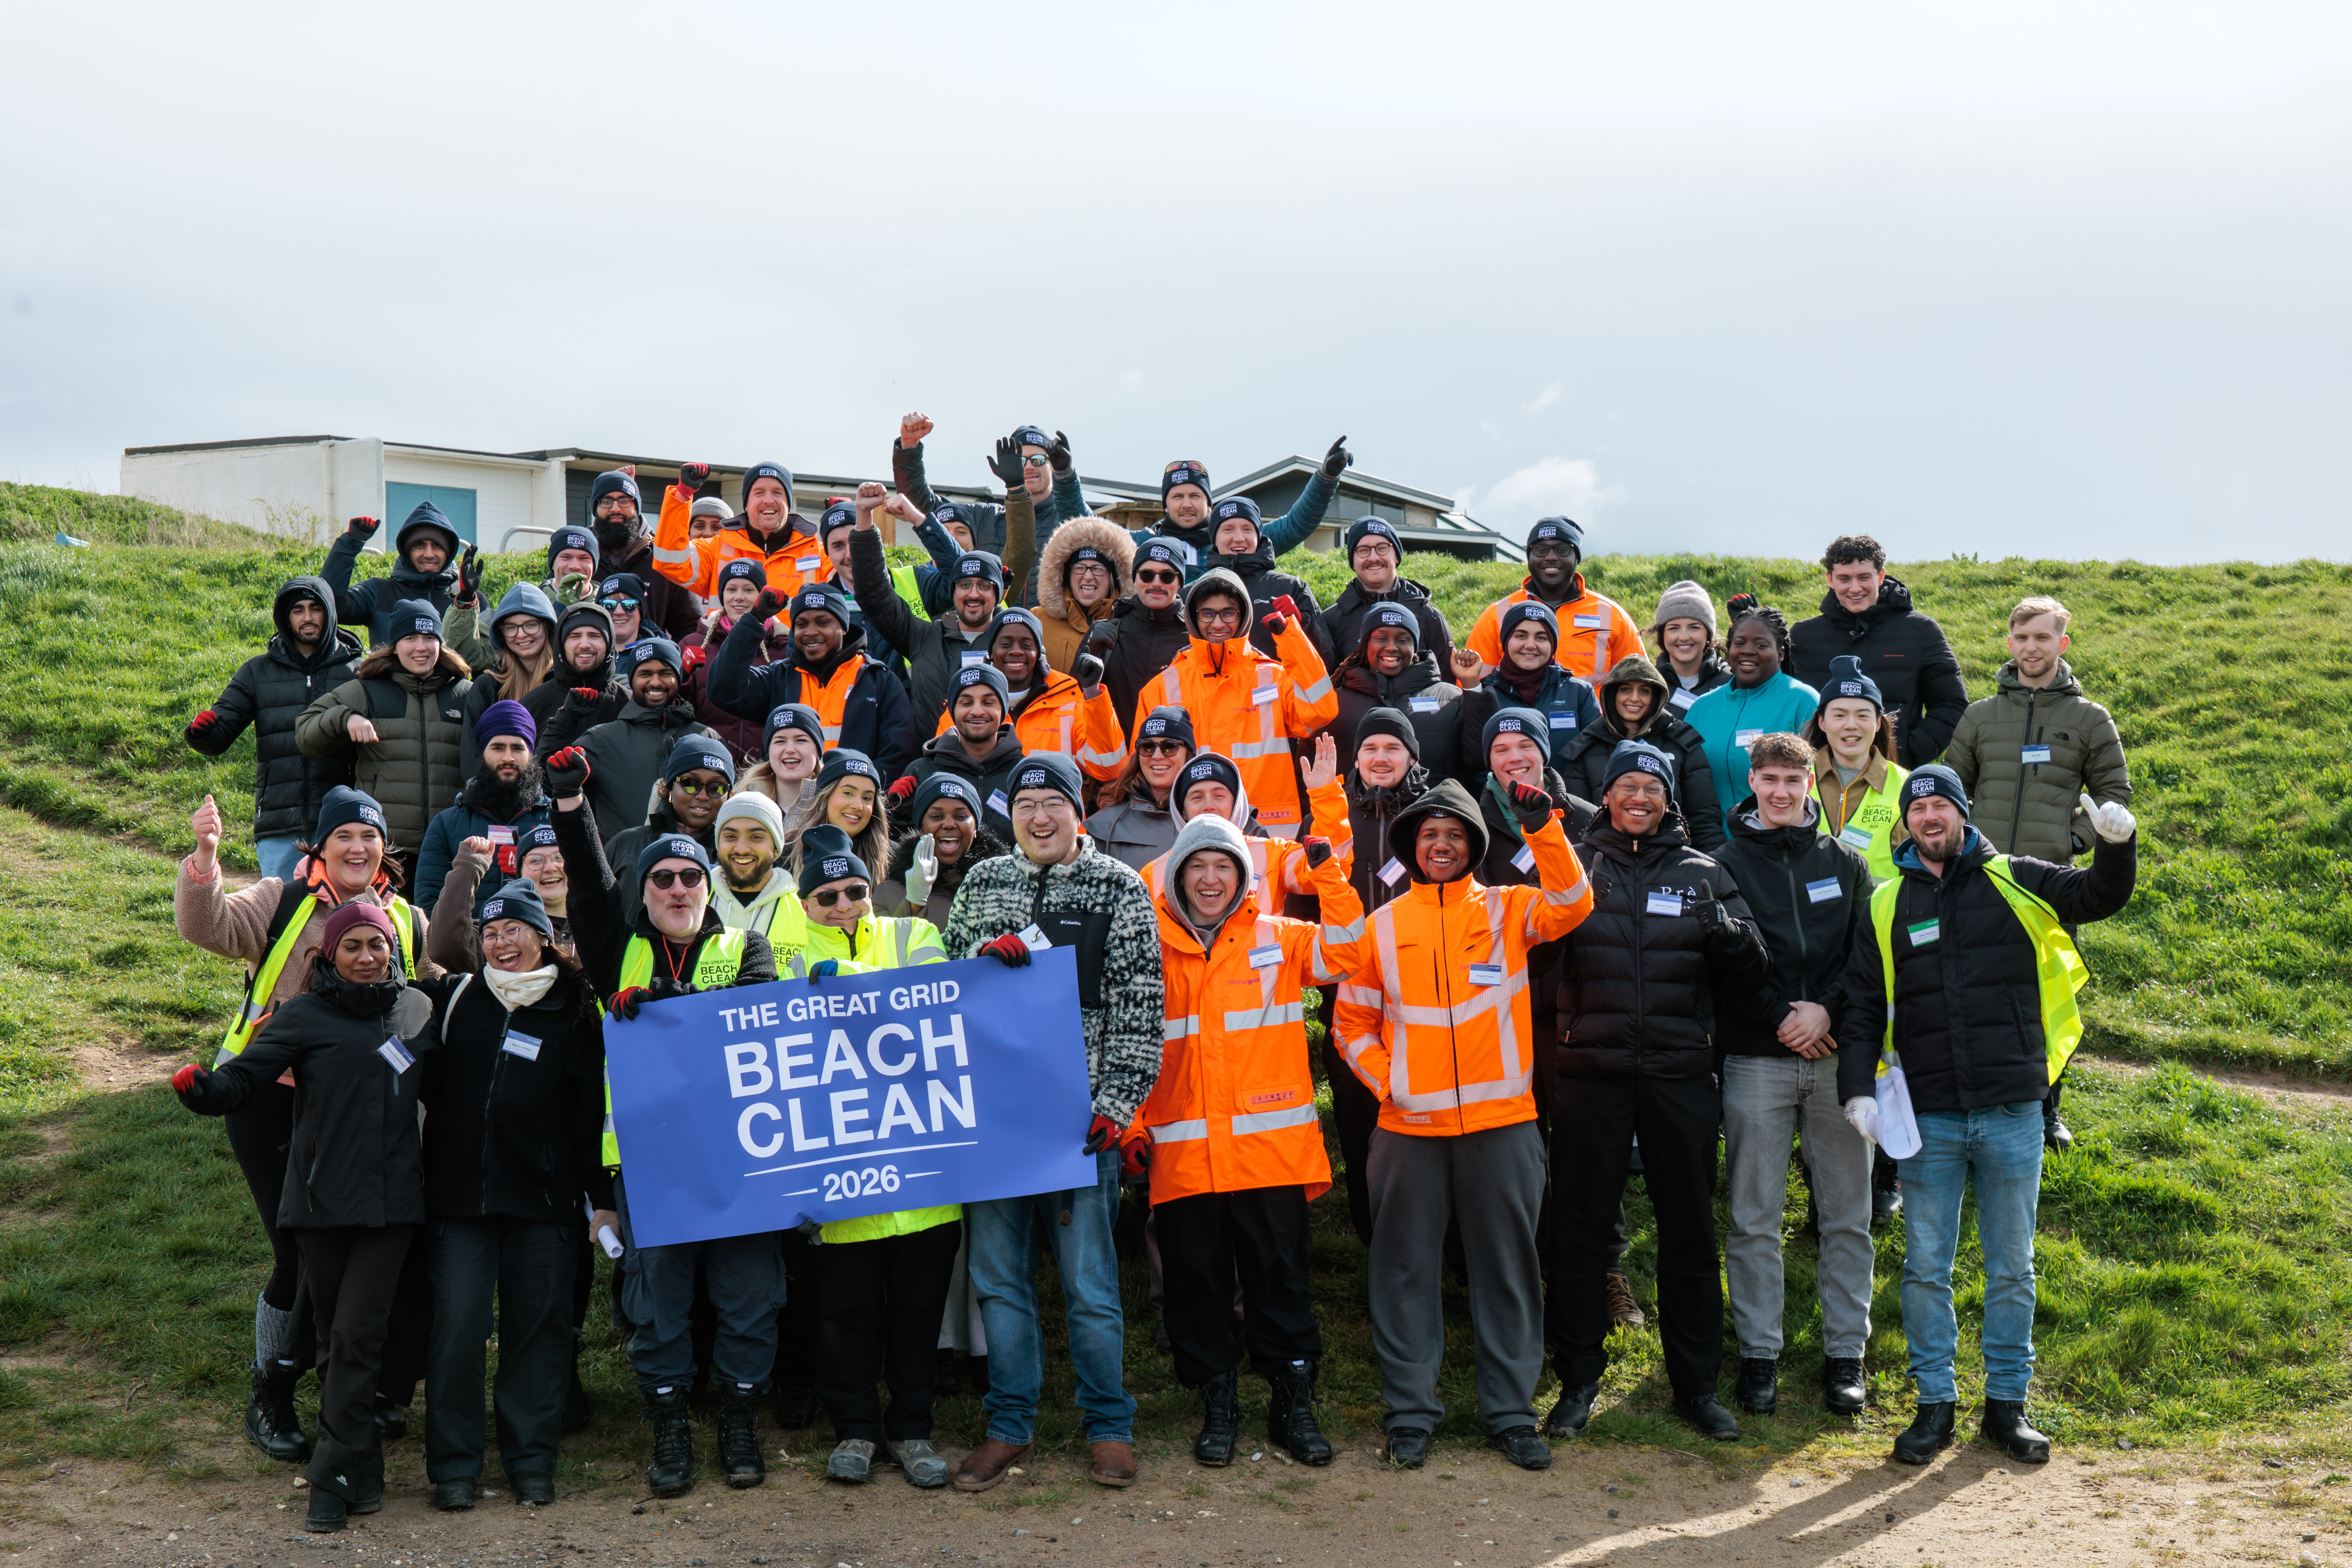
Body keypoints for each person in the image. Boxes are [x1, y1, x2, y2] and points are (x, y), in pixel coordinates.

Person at [1836, 766, 2137, 1466]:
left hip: (2012, 1111)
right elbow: (1861, 1008)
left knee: (2012, 1268)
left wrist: (2116, 848)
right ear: (1905, 825)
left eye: (1942, 804)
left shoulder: (2019, 878)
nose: (1930, 816)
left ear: (1964, 814)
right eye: (1919, 808)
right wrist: (1856, 1090)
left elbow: (2099, 895)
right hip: (1930, 1119)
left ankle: (2008, 1406)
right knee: (1925, 1270)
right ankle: (1933, 1405)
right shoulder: (1886, 904)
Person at [1332, 775, 1595, 1472]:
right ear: (1413, 849)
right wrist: (1390, 1081)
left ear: (1474, 845)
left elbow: (1574, 902)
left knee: (1507, 1272)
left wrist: (1544, 830)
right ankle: (1410, 1415)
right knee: (1403, 1273)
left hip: (1502, 1125)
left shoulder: (1510, 909)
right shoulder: (1379, 926)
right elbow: (1350, 1022)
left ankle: (1511, 1416)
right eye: (1430, 836)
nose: (1441, 844)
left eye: (1454, 835)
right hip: (1407, 1130)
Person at [175, 786, 438, 1471]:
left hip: (364, 1110)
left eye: (370, 837)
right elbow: (209, 928)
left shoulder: (405, 918)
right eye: (344, 835)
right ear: (319, 846)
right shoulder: (281, 899)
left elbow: (434, 987)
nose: (358, 848)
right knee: (299, 1253)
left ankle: (362, 1392)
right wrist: (205, 859)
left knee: (377, 1251)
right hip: (268, 1098)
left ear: (385, 849)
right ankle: (272, 1395)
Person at [543, 746, 782, 1497]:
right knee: (660, 1307)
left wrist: (666, 1015)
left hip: (741, 1162)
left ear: (707, 888)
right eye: (662, 879)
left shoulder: (748, 946)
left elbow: (756, 1030)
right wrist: (571, 802)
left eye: (690, 877)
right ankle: (671, 1428)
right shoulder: (624, 954)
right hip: (650, 1168)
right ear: (644, 894)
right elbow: (587, 886)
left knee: (749, 1299)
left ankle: (740, 1421)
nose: (677, 888)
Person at [937, 755, 1164, 1494]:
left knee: (1090, 1285)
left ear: (1078, 813)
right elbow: (943, 987)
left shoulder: (1119, 889)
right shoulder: (981, 881)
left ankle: (1109, 1425)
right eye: (1027, 803)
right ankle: (1009, 1424)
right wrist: (976, 961)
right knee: (999, 1283)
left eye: (1053, 804)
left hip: (1078, 1125)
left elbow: (1139, 1008)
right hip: (993, 1123)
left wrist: (1116, 1107)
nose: (1039, 817)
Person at [1542, 740, 1770, 1445]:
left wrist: (1728, 935)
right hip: (1590, 1077)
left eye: (1652, 788)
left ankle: (1695, 1386)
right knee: (1579, 1235)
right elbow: (1532, 954)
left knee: (1690, 1235)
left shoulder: (1705, 871)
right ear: (1605, 796)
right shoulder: (1579, 869)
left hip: (1679, 1077)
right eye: (1626, 786)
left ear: (1669, 799)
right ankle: (1578, 1379)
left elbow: (1752, 972)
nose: (1638, 798)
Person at [1141, 811, 1362, 1468]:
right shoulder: (1146, 946)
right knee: (1196, 1286)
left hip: (1269, 1156)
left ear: (1243, 876)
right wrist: (1129, 1128)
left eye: (1224, 866)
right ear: (1177, 874)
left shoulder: (1280, 937)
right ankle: (1218, 1401)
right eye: (1198, 866)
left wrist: (1329, 872)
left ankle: (1292, 1402)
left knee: (1281, 1282)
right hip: (1183, 1155)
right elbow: (1127, 1041)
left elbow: (1350, 950)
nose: (1211, 879)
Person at [771, 825, 958, 1488]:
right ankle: (854, 1429)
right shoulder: (785, 961)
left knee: (917, 1317)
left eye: (856, 890)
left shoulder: (915, 938)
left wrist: (850, 983)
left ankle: (911, 1432)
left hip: (925, 1183)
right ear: (805, 903)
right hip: (841, 1188)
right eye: (827, 896)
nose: (846, 903)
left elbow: (935, 1014)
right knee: (844, 1317)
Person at [412, 879, 606, 1512]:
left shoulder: (575, 1010)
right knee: (458, 1331)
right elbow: (416, 1070)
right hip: (459, 1203)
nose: (500, 943)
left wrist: (599, 1199)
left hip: (544, 1206)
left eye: (513, 930)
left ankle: (531, 1464)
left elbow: (590, 1115)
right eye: (490, 933)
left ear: (542, 939)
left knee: (539, 1335)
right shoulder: (459, 998)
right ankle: (456, 1469)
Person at [1711, 732, 1877, 1421]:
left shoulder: (1846, 862)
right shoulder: (1719, 864)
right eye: (1769, 778)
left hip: (1837, 1058)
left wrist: (1825, 1010)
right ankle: (1759, 1356)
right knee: (1753, 1217)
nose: (1781, 792)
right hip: (1757, 1058)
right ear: (1751, 781)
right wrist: (1783, 1014)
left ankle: (1846, 1357)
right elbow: (1722, 962)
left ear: (1814, 782)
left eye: (1793, 779)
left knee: (1848, 1218)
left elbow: (1866, 955)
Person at [1314, 708, 1432, 1245]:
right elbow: (1302, 899)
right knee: (1360, 1114)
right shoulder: (1326, 815)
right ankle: (1374, 1231)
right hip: (1350, 994)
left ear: (1411, 756)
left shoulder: (1435, 813)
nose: (1381, 758)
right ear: (1356, 758)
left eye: (1393, 748)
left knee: (1422, 1108)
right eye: (1371, 749)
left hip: (1424, 991)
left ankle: (1435, 1231)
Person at [1128, 569, 1337, 839]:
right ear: (1193, 618)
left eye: (1228, 613)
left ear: (1243, 617)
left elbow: (1321, 710)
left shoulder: (1271, 677)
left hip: (1268, 830)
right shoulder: (1161, 686)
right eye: (1207, 614)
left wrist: (1291, 638)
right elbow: (1142, 769)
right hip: (1189, 830)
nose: (1218, 624)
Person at [185, 575, 364, 882]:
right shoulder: (257, 671)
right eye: (298, 611)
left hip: (345, 822)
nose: (307, 618)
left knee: (344, 919)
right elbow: (218, 738)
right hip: (280, 824)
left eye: (315, 609)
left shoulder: (361, 670)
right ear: (286, 617)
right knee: (282, 919)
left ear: (330, 614)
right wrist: (203, 732)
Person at [1945, 596, 2132, 867]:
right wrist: (1965, 834)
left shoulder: (2091, 719)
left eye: (2042, 638)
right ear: (2011, 644)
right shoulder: (1979, 716)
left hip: (2051, 876)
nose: (2031, 648)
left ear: (2062, 644)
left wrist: (2076, 839)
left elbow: (2113, 792)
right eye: (2021, 638)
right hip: (1980, 870)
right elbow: (1953, 788)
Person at [296, 600, 474, 857]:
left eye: (429, 637)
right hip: (386, 848)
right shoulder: (368, 690)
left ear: (440, 642)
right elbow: (305, 730)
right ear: (395, 645)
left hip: (449, 847)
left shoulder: (465, 694)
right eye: (410, 638)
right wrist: (345, 718)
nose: (421, 648)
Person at [705, 579, 920, 785]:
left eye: (823, 622)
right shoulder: (779, 678)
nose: (810, 632)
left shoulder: (879, 680)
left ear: (844, 628)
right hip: (787, 809)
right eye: (801, 624)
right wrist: (755, 619)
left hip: (850, 809)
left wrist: (849, 791)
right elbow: (722, 689)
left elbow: (899, 753)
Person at [850, 480, 1027, 726]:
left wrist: (921, 520)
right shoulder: (923, 638)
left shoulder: (1020, 642)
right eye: (964, 585)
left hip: (1002, 762)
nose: (973, 594)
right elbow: (873, 594)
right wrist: (864, 516)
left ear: (999, 593)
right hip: (932, 761)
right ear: (951, 591)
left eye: (984, 586)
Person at [1787, 535, 1967, 768]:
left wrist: (1905, 753)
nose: (1855, 588)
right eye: (1845, 579)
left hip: (1895, 775)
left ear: (1880, 576)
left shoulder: (1920, 630)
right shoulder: (1803, 636)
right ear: (1830, 580)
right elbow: (1783, 698)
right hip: (1820, 778)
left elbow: (1951, 703)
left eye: (1864, 577)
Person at [534, 640, 716, 847]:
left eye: (665, 673)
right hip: (620, 870)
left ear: (678, 677)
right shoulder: (602, 739)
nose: (655, 683)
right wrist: (566, 719)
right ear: (632, 679)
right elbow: (544, 771)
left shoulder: (707, 738)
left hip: (692, 871)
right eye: (645, 674)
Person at [892, 416, 1089, 606]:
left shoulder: (1068, 521)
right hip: (995, 633)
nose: (1029, 467)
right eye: (1020, 460)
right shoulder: (985, 517)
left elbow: (1089, 530)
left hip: (1055, 633)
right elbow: (923, 505)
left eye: (1038, 460)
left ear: (1052, 464)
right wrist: (909, 448)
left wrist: (1066, 475)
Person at [922, 607, 1123, 783]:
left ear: (1039, 652)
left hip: (1053, 821)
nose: (1016, 652)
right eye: (1006, 644)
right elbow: (944, 774)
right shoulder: (964, 705)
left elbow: (1109, 768)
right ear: (991, 652)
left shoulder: (1069, 699)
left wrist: (1093, 694)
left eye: (1026, 645)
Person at [1555, 655, 1726, 853]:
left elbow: (1703, 817)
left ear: (1656, 697)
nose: (1635, 698)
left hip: (1670, 860)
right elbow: (1578, 823)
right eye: (1626, 689)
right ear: (1612, 694)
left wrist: (1713, 868)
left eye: (1644, 691)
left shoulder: (1682, 742)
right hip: (1606, 862)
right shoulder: (1586, 747)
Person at [1123, 440, 1350, 584]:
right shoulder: (1143, 542)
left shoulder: (1234, 540)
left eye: (1195, 496)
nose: (1187, 505)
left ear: (1209, 504)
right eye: (1177, 497)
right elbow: (1093, 531)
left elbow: (1295, 526)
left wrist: (1326, 478)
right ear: (1165, 505)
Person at [1685, 598, 1820, 837]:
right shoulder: (1702, 708)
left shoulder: (1803, 701)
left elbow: (1818, 783)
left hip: (1776, 846)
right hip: (1709, 846)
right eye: (1740, 643)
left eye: (1760, 644)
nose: (1748, 651)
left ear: (1780, 654)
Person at [1461, 517, 1644, 684]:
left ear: (1577, 557)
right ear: (1529, 558)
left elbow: (1641, 680)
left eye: (1562, 550)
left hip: (1593, 720)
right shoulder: (1498, 614)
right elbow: (1472, 683)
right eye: (1541, 550)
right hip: (1521, 719)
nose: (1550, 557)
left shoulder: (1612, 614)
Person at [414, 703, 551, 917]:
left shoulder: (556, 820)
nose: (508, 758)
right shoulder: (447, 824)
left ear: (531, 754)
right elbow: (429, 903)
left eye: (518, 748)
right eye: (497, 748)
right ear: (482, 753)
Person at [1454, 601, 1603, 779]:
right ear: (1506, 640)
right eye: (1521, 636)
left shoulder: (1579, 693)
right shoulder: (1484, 693)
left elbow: (1598, 758)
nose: (1531, 645)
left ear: (1553, 645)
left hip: (1568, 803)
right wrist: (1471, 685)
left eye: (1541, 638)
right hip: (1502, 804)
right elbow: (1475, 761)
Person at [605, 736, 737, 932]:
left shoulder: (735, 857)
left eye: (717, 788)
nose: (702, 795)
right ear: (668, 788)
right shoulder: (626, 844)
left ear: (729, 796)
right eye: (690, 783)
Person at [1330, 603, 1468, 785]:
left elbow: (1478, 760)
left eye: (1403, 640)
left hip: (1434, 812)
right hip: (1353, 813)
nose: (1391, 647)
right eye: (1381, 638)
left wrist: (1472, 687)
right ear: (1365, 645)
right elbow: (1308, 773)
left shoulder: (1451, 698)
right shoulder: (1333, 703)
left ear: (1415, 646)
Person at [892, 665, 1028, 842]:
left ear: (1003, 710)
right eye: (966, 703)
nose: (977, 711)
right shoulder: (921, 771)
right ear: (953, 710)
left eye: (988, 702)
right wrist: (895, 813)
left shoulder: (1023, 774)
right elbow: (898, 848)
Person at [1806, 655, 1911, 879]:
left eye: (1863, 715)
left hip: (1881, 911)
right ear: (1822, 722)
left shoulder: (1906, 786)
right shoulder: (1796, 778)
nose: (1851, 725)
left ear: (1877, 723)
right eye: (1840, 715)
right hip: (1808, 910)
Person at [1200, 497, 1335, 666]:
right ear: (1214, 539)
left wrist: (1301, 623)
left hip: (1281, 691)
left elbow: (1328, 662)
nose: (1239, 538)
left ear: (1258, 536)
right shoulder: (1195, 593)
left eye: (1248, 529)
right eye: (1228, 530)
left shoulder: (1292, 588)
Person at [679, 560, 790, 759]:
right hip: (710, 764)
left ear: (761, 596)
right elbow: (679, 711)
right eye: (731, 590)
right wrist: (684, 680)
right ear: (722, 596)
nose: (739, 598)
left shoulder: (783, 645)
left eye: (748, 590)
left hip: (766, 767)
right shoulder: (695, 644)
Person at [425, 825, 572, 973]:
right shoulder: (496, 933)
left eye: (560, 858)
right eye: (536, 861)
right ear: (520, 874)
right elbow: (446, 947)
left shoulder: (594, 926)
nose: (550, 868)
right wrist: (468, 866)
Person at [451, 585, 561, 777]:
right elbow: (472, 759)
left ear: (548, 627)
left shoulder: (564, 685)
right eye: (511, 628)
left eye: (531, 624)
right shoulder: (487, 687)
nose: (521, 634)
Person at [320, 503, 464, 649]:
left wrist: (467, 601)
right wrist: (349, 544)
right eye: (419, 546)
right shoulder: (378, 591)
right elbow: (330, 606)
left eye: (437, 546)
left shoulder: (467, 600)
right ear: (407, 552)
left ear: (449, 552)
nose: (429, 554)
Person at [1320, 516, 1455, 671]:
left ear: (1396, 556)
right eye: (1363, 550)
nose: (1374, 557)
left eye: (1382, 548)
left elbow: (1447, 684)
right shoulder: (1331, 621)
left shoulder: (1429, 616)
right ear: (1353, 562)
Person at [1091, 538, 1195, 732]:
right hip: (1114, 751)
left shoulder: (1195, 634)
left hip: (1171, 753)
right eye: (1147, 575)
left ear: (1180, 581)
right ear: (1135, 578)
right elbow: (1077, 697)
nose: (1157, 584)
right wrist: (1091, 652)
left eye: (1167, 577)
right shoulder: (1109, 625)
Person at [877, 774, 1009, 927]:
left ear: (976, 829)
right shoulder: (888, 892)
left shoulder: (1005, 886)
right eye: (937, 816)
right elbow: (889, 948)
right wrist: (914, 903)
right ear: (921, 828)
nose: (948, 824)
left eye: (961, 816)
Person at [1085, 706, 1196, 873]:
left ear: (1188, 754)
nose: (1157, 756)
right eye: (1147, 747)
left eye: (1170, 746)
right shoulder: (1103, 827)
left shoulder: (1217, 814)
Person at [708, 789, 807, 960]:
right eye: (731, 836)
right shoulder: (695, 898)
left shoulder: (804, 911)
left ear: (776, 847)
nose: (742, 849)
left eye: (756, 837)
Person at [1036, 514, 1135, 673]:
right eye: (1080, 568)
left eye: (1098, 569)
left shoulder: (1131, 624)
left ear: (1114, 577)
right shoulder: (1038, 621)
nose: (1088, 577)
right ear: (1067, 575)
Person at [784, 748, 894, 884]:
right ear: (825, 796)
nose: (858, 806)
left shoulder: (893, 860)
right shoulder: (786, 853)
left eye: (867, 798)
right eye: (848, 793)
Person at [524, 604, 616, 733]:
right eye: (575, 636)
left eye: (595, 636)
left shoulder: (628, 704)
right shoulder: (530, 707)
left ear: (609, 644)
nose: (585, 645)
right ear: (561, 645)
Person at [1648, 580, 1730, 714]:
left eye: (1694, 628)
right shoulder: (1648, 684)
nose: (1684, 637)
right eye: (1674, 628)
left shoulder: (1732, 682)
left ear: (1708, 634)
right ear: (1662, 635)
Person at [736, 704, 824, 818]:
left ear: (818, 751)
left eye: (801, 740)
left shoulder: (835, 805)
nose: (790, 750)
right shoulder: (742, 804)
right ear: (769, 752)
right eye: (780, 741)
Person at [595, 572, 649, 651]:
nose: (619, 612)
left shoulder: (659, 657)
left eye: (629, 605)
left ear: (641, 611)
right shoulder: (588, 653)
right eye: (609, 605)